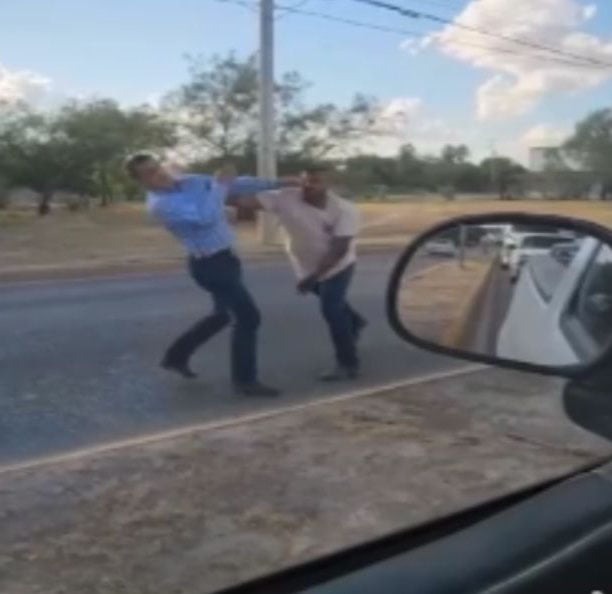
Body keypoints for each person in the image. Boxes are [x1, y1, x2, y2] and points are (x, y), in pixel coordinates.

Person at [125, 152, 297, 397]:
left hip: (227, 258)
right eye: (149, 174)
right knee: (249, 318)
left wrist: (278, 182)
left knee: (222, 315)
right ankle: (245, 381)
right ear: (141, 182)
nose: (158, 174)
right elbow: (205, 217)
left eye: (157, 167)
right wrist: (219, 185)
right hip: (210, 267)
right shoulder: (160, 205)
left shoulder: (191, 181)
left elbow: (235, 184)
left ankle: (176, 356)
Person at [253, 166, 366, 381]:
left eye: (315, 182)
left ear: (329, 185)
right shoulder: (285, 197)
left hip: (338, 266)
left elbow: (339, 249)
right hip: (305, 265)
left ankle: (348, 363)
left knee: (331, 309)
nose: (307, 186)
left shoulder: (345, 209)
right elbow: (242, 201)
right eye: (304, 181)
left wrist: (313, 278)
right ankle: (354, 321)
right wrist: (274, 182)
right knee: (334, 303)